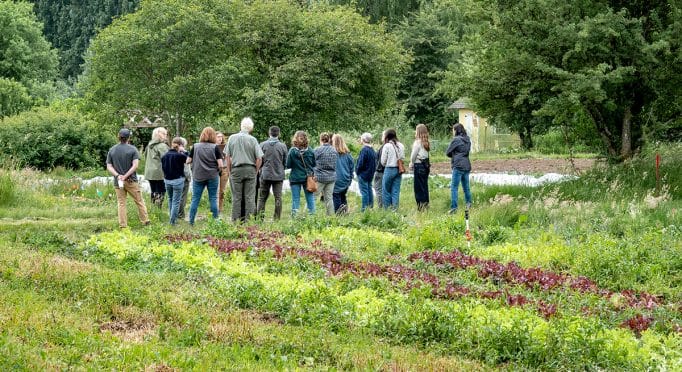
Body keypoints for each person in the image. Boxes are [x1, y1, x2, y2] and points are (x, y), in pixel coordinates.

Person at [106, 128, 150, 228]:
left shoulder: (112, 150)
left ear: (118, 136)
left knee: (121, 203)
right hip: (131, 181)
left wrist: (118, 176)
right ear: (129, 137)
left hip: (118, 182)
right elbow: (135, 166)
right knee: (139, 201)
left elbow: (109, 166)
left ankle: (123, 226)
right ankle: (145, 221)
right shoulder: (133, 149)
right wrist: (125, 176)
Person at [225, 117, 263, 222]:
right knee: (250, 197)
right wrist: (255, 170)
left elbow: (227, 157)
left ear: (241, 126)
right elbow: (259, 158)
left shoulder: (232, 138)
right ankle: (249, 221)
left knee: (236, 197)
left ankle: (235, 221)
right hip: (250, 169)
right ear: (251, 128)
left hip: (236, 169)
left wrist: (229, 171)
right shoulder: (253, 139)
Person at [187, 127, 224, 225]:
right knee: (213, 198)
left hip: (198, 175)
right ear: (213, 136)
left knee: (195, 198)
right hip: (212, 176)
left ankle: (191, 221)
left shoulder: (195, 146)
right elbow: (220, 164)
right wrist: (218, 170)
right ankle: (215, 221)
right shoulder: (215, 147)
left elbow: (188, 161)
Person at [256, 126, 287, 220]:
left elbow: (259, 160)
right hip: (278, 175)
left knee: (262, 198)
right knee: (278, 197)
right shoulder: (283, 146)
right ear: (279, 134)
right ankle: (276, 218)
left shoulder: (262, 145)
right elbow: (285, 162)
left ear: (269, 133)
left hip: (265, 174)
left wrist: (261, 169)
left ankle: (260, 218)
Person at [286, 131, 316, 216]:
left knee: (295, 199)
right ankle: (313, 217)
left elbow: (288, 165)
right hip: (308, 178)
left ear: (295, 139)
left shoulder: (292, 151)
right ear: (306, 139)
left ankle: (294, 219)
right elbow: (314, 164)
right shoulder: (310, 151)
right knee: (310, 198)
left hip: (295, 177)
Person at [446, 122, 472, 214]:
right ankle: (469, 204)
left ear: (456, 130)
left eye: (453, 130)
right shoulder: (467, 139)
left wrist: (454, 154)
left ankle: (454, 208)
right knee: (466, 188)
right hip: (466, 165)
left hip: (458, 165)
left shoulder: (456, 140)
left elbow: (448, 152)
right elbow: (467, 152)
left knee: (454, 187)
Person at [161, 137, 188, 225]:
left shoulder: (164, 156)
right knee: (176, 201)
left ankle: (172, 219)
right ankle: (173, 221)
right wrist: (183, 151)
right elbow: (188, 159)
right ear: (180, 145)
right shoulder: (180, 156)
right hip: (177, 180)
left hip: (167, 180)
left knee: (170, 199)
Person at [144, 127, 169, 209]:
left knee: (153, 190)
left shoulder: (149, 145)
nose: (166, 136)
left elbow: (145, 157)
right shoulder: (162, 146)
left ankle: (153, 209)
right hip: (159, 172)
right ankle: (158, 209)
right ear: (158, 134)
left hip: (149, 172)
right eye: (164, 134)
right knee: (161, 191)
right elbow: (167, 159)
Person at [380, 129, 405, 210]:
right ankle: (395, 210)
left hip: (389, 169)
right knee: (395, 191)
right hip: (399, 170)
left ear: (387, 136)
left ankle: (387, 210)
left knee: (386, 190)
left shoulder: (387, 146)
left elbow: (383, 161)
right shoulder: (401, 145)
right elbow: (403, 158)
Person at [313, 132, 337, 216]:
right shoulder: (334, 150)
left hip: (320, 177)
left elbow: (312, 162)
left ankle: (308, 215)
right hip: (331, 177)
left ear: (321, 140)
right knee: (329, 198)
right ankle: (330, 216)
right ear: (329, 140)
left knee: (313, 197)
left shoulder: (317, 150)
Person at [410, 124, 431, 211]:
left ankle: (420, 207)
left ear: (417, 131)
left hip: (418, 165)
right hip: (426, 165)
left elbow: (413, 155)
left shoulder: (417, 142)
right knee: (424, 186)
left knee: (418, 187)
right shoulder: (426, 142)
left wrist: (411, 163)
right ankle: (426, 204)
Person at [331, 134, 354, 215]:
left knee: (336, 196)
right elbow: (352, 168)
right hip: (345, 179)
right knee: (343, 196)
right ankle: (345, 212)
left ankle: (339, 214)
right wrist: (350, 179)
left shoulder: (332, 154)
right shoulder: (348, 155)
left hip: (335, 179)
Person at [355, 132, 376, 211]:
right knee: (369, 190)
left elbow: (360, 163)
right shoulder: (372, 150)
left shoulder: (364, 150)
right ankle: (370, 207)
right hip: (370, 174)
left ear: (363, 139)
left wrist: (357, 171)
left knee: (364, 192)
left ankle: (364, 209)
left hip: (363, 174)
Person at [177, 137, 191, 220]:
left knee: (176, 197)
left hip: (174, 177)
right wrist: (188, 177)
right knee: (183, 196)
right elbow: (186, 167)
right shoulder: (184, 153)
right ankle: (181, 214)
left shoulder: (172, 152)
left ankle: (175, 213)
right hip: (183, 177)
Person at [215, 131, 229, 214]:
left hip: (224, 169)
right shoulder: (212, 146)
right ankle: (214, 207)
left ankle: (220, 207)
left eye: (221, 137)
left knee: (222, 190)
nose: (220, 138)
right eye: (218, 137)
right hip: (215, 169)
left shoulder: (225, 147)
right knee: (215, 190)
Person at [373, 131, 386, 208]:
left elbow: (381, 161)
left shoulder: (384, 147)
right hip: (384, 170)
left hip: (380, 171)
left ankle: (380, 206)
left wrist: (377, 169)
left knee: (378, 189)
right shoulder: (393, 145)